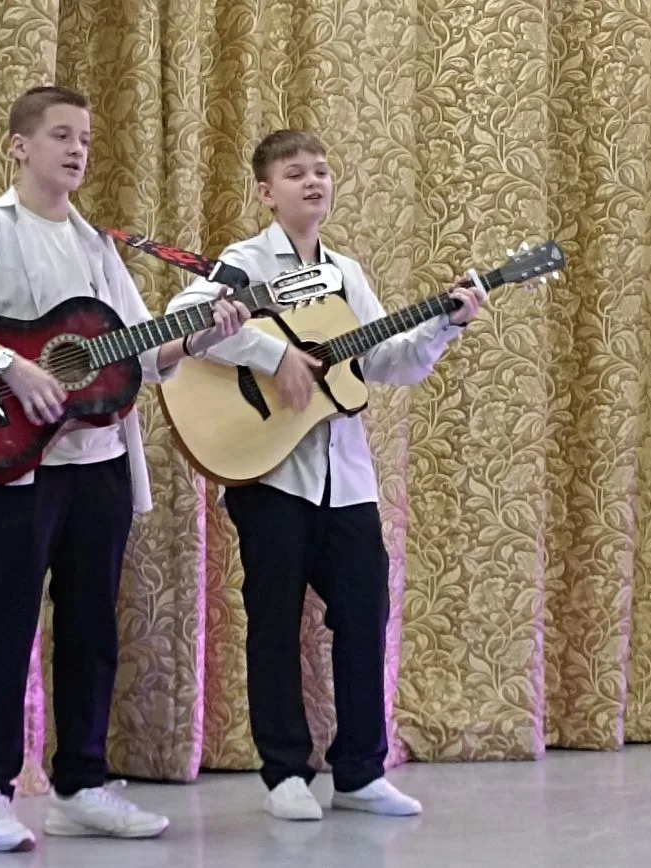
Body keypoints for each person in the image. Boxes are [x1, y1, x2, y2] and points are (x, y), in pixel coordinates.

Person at [0, 85, 250, 852]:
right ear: (20, 146)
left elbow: (137, 353)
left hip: (100, 464)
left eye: (85, 138)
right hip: (18, 466)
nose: (77, 149)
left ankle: (82, 787)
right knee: (4, 624)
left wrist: (201, 336)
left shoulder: (98, 246)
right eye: (61, 135)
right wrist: (11, 366)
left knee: (91, 628)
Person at [165, 129, 486, 821]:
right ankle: (283, 772)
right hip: (271, 473)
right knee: (274, 620)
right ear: (266, 192)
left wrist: (446, 325)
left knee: (366, 615)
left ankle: (360, 772)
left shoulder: (345, 273)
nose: (313, 182)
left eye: (321, 171)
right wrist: (271, 355)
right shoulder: (244, 262)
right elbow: (180, 319)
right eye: (295, 173)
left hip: (348, 477)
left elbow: (388, 361)